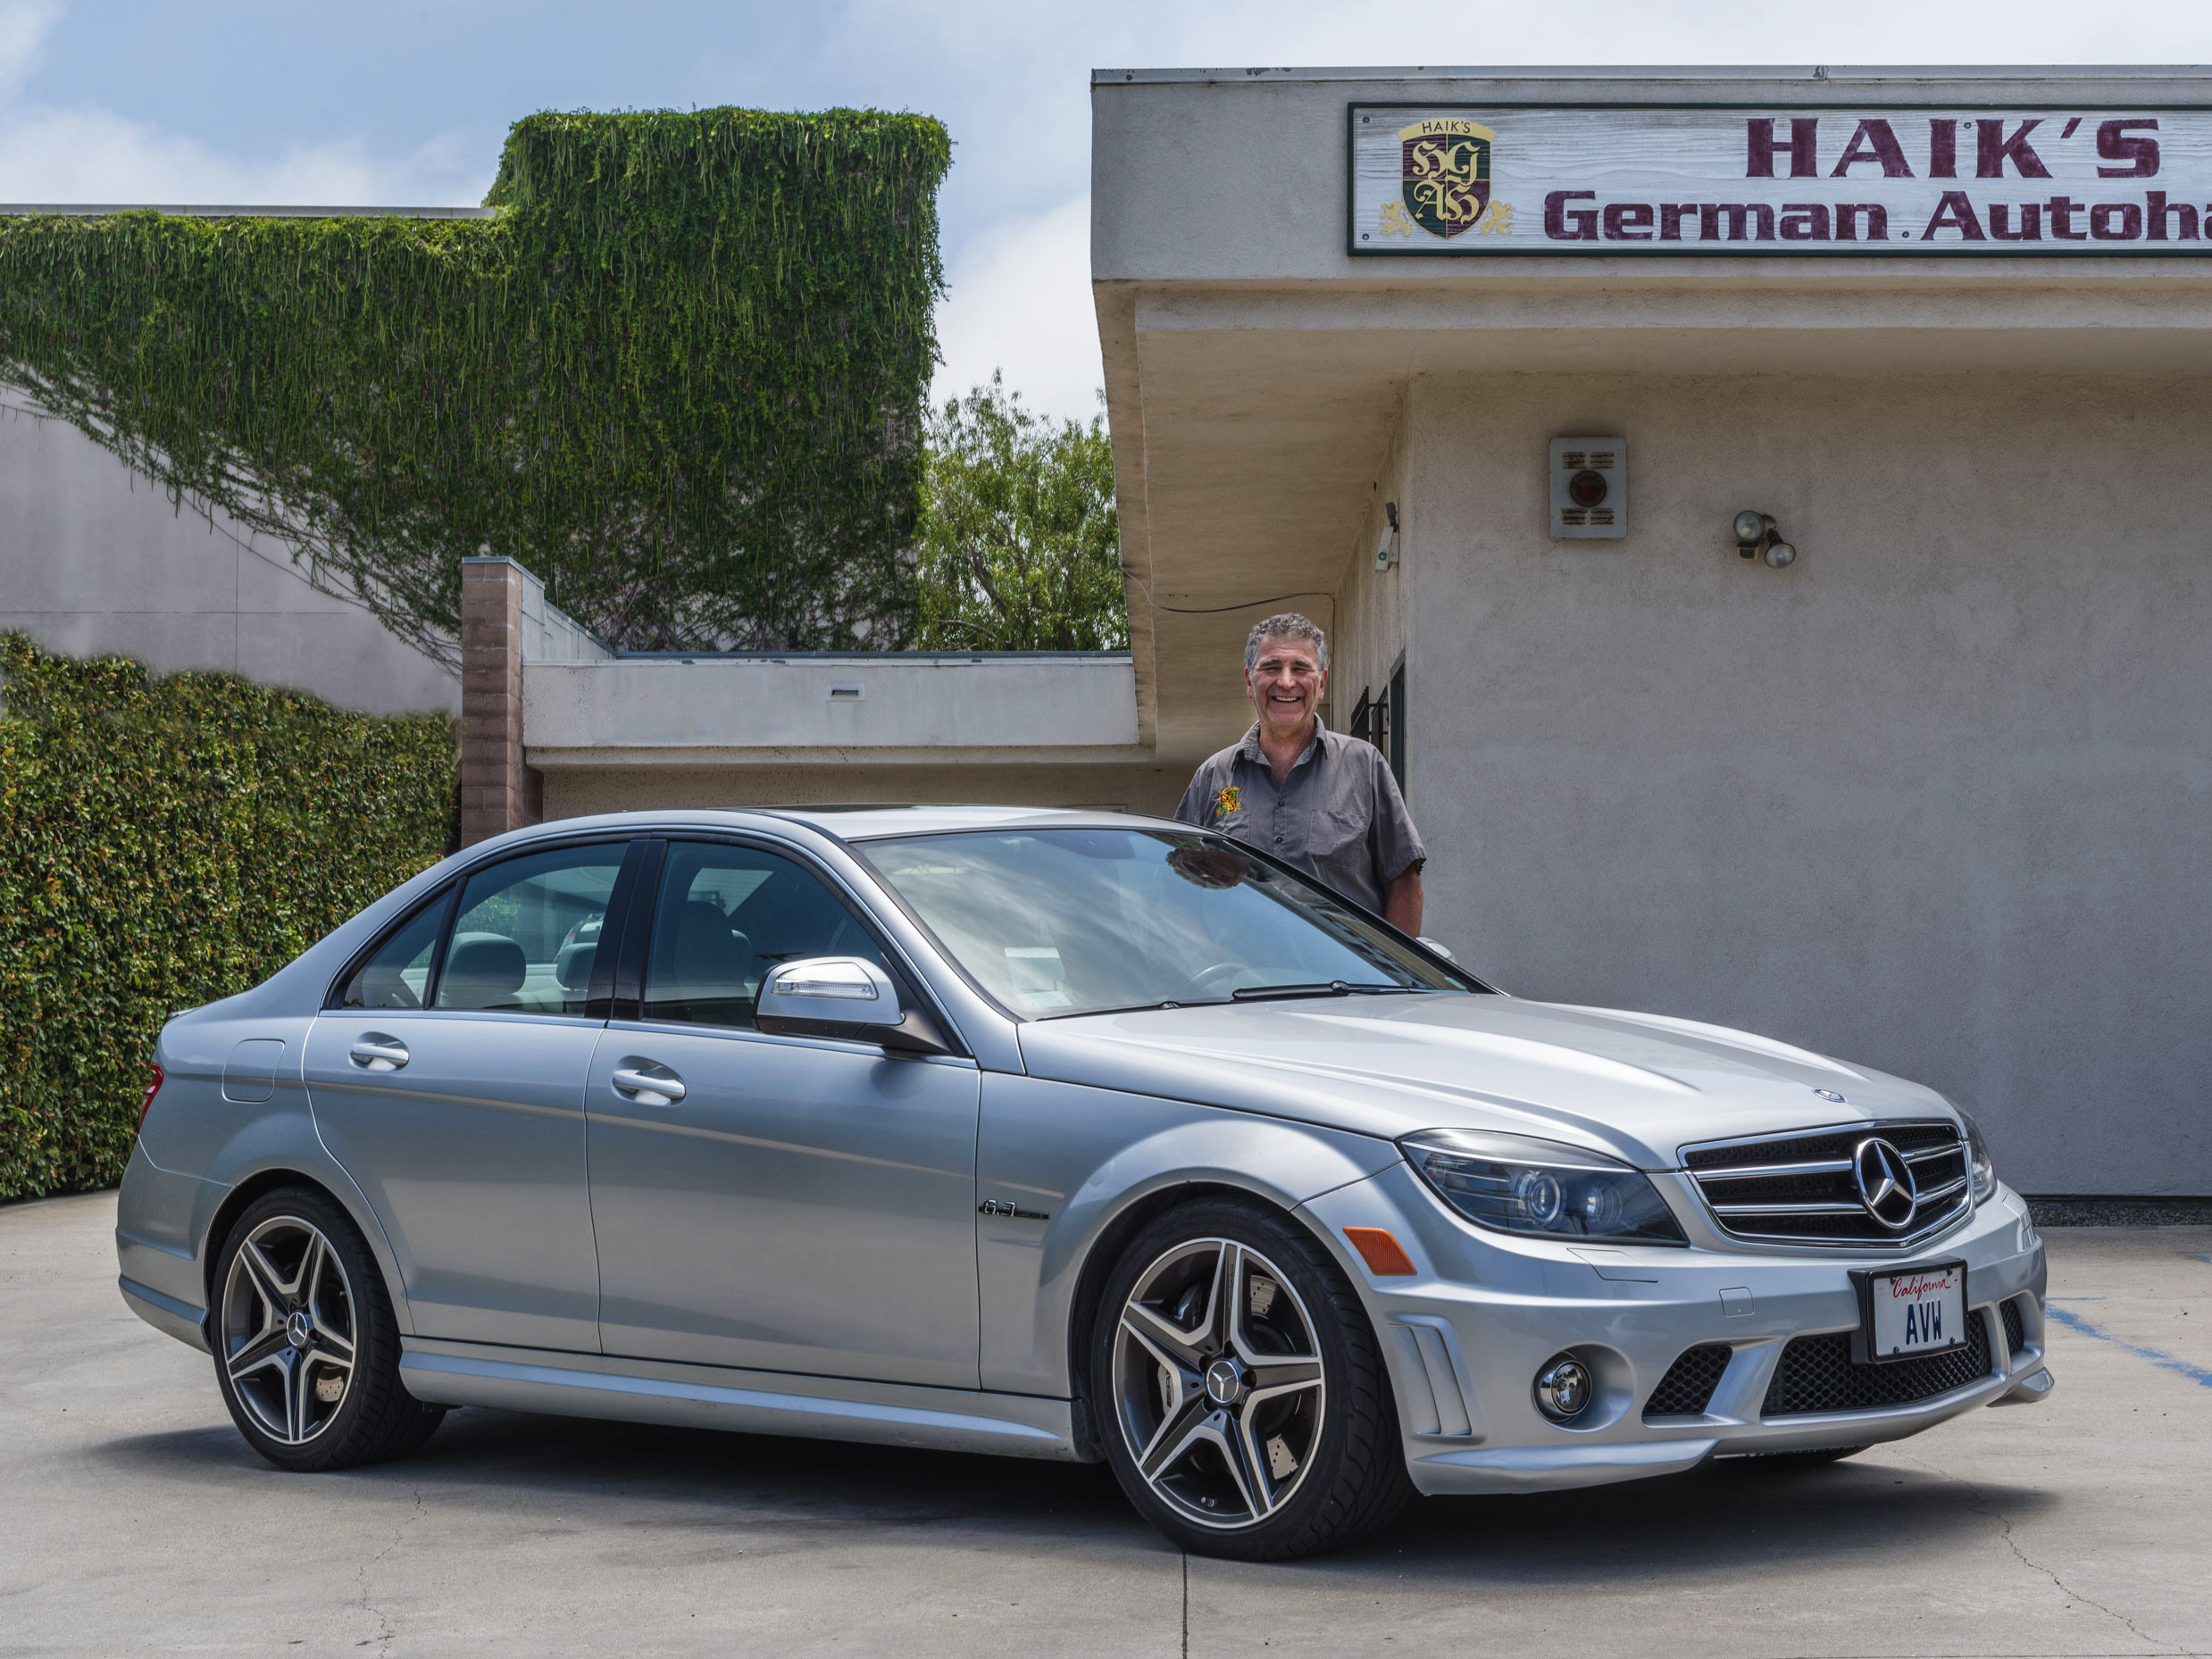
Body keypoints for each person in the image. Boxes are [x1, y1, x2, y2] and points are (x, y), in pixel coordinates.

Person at [1173, 613, 1426, 934]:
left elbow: (1404, 882)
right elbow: (1179, 888)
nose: (1287, 682)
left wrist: (1395, 980)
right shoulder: (1214, 779)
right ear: (1249, 681)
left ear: (1321, 684)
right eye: (1272, 667)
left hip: (1344, 982)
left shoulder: (1365, 767)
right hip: (1237, 978)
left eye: (1301, 668)